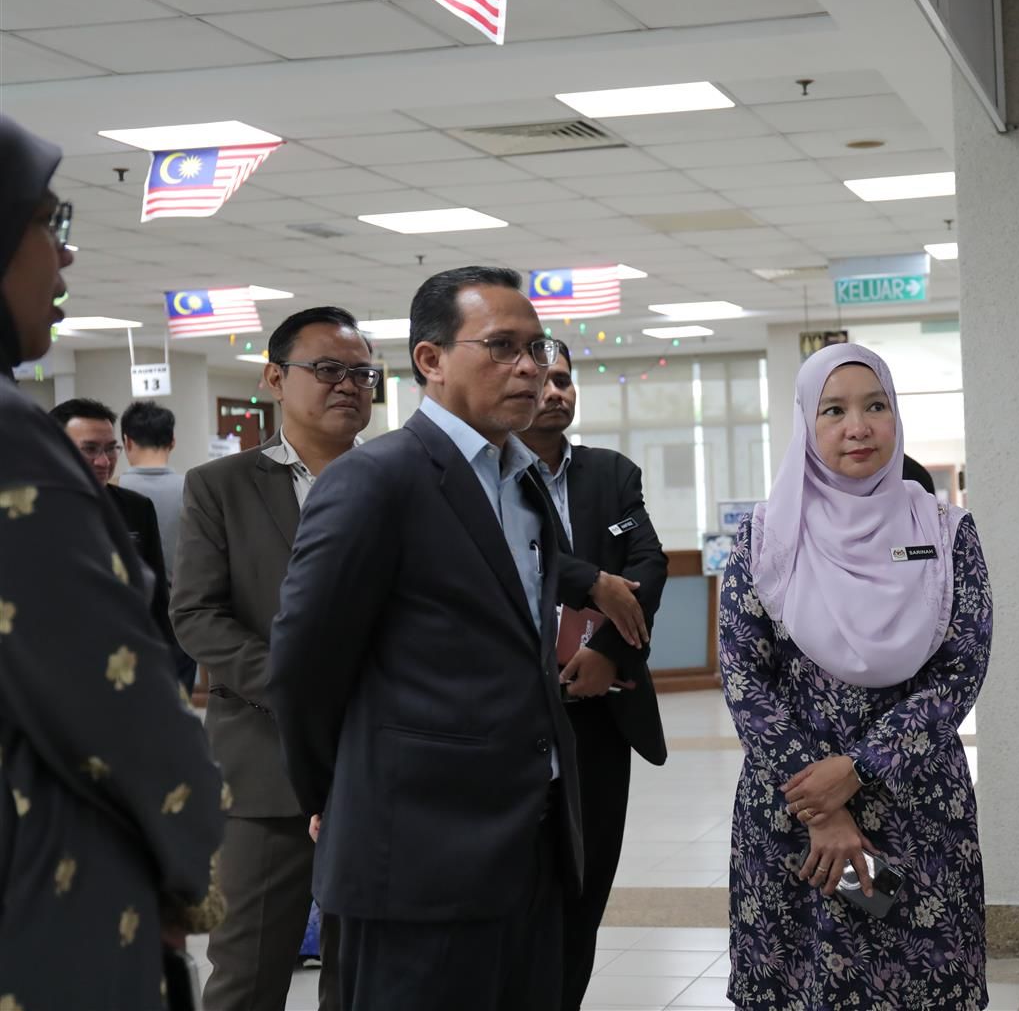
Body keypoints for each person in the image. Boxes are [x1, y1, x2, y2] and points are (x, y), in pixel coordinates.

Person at [267, 266, 594, 1011]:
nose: (529, 368)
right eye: (502, 346)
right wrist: (337, 790)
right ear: (431, 359)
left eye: (537, 348)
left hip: (533, 840)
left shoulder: (526, 483)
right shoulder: (376, 480)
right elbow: (303, 666)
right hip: (416, 852)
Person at [0, 113, 225, 1009]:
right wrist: (188, 858)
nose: (64, 258)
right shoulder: (11, 441)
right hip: (46, 898)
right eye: (46, 222)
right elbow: (110, 694)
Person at [719, 342, 992, 1010]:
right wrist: (823, 804)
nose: (858, 428)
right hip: (794, 815)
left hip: (916, 808)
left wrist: (860, 769)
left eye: (875, 406)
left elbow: (959, 670)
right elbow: (746, 681)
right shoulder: (763, 539)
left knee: (923, 985)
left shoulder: (947, 533)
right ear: (805, 424)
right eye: (833, 411)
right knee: (801, 986)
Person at [170, 305, 376, 1011]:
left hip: (381, 758)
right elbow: (197, 616)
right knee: (249, 972)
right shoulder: (221, 486)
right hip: (265, 764)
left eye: (362, 374)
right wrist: (296, 688)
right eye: (327, 369)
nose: (348, 385)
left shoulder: (405, 480)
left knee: (366, 973)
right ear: (275, 379)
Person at [516, 340, 669, 1011]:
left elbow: (649, 564)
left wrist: (609, 647)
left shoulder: (611, 474)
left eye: (565, 380)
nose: (556, 392)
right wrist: (590, 583)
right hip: (518, 715)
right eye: (543, 380)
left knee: (587, 885)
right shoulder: (486, 478)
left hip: (602, 713)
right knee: (525, 888)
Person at [52, 396, 191, 688]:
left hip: (128, 662)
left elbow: (157, 601)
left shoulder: (136, 508)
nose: (104, 461)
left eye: (110, 449)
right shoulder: (30, 513)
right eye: (90, 449)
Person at [118, 399, 184, 578]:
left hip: (130, 593)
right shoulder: (193, 488)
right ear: (172, 442)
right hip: (182, 593)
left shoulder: (113, 489)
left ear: (127, 441)